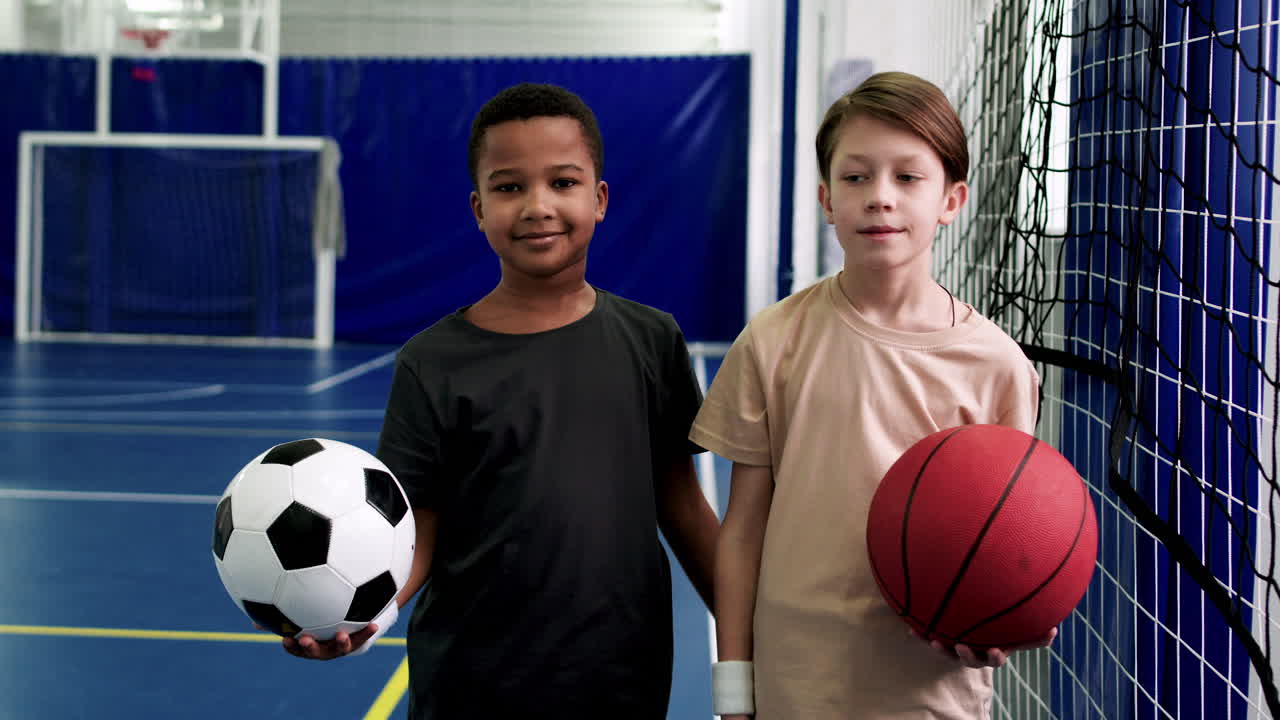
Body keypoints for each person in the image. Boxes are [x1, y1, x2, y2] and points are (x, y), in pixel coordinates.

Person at [280, 82, 720, 719]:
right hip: (472, 682)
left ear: (599, 200)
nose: (538, 206)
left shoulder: (651, 340)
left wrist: (754, 630)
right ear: (478, 208)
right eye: (510, 187)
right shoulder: (432, 361)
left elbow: (683, 505)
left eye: (563, 183)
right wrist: (362, 614)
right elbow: (414, 527)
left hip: (622, 677)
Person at [693, 71, 1054, 719]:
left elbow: (1008, 536)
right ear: (827, 199)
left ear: (952, 198)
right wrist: (733, 685)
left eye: (907, 178)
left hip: (929, 694)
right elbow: (743, 530)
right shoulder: (774, 340)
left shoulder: (997, 366)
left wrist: (1009, 611)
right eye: (857, 178)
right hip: (795, 685)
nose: (880, 198)